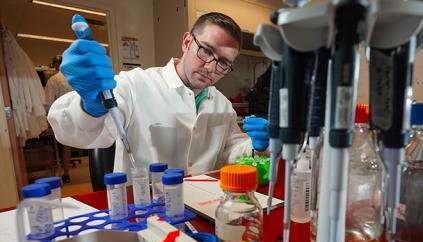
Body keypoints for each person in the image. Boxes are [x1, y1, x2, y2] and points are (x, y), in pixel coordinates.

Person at [48, 12, 268, 176]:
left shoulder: (222, 104)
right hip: (146, 210)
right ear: (187, 42)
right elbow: (72, 133)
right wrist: (90, 106)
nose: (211, 67)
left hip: (204, 207)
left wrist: (255, 146)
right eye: (206, 51)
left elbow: (230, 152)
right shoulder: (135, 84)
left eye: (223, 63)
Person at [44, 55, 73, 183]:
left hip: (63, 117)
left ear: (56, 65)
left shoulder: (53, 80)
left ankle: (66, 174)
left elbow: (48, 103)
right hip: (81, 116)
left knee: (65, 144)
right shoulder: (76, 77)